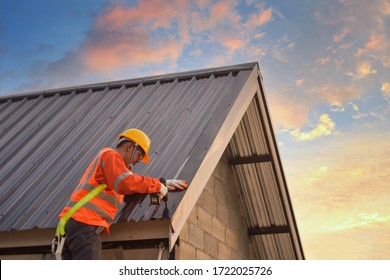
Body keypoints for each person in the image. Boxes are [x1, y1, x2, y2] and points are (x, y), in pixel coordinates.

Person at [58, 128, 188, 260]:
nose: (138, 160)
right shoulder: (110, 155)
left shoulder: (112, 172)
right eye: (139, 155)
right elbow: (126, 182)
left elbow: (130, 186)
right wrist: (157, 185)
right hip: (85, 224)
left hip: (76, 225)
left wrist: (162, 183)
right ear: (129, 146)